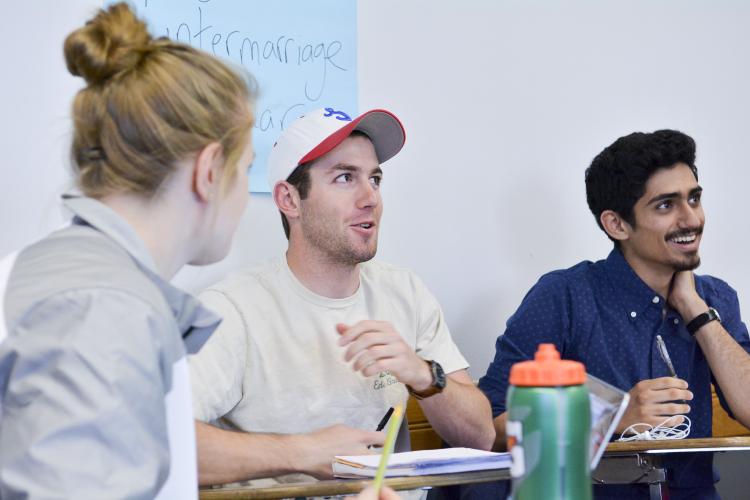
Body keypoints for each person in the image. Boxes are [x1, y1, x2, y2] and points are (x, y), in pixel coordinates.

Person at [0, 3, 256, 498]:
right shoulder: (102, 311)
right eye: (245, 168)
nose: (245, 192)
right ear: (208, 171)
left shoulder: (82, 285)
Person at [189, 107, 495, 486]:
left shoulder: (405, 291)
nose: (370, 198)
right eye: (345, 177)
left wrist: (423, 375)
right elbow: (161, 443)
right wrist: (302, 453)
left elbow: (480, 437)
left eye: (375, 179)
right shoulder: (232, 309)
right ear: (289, 199)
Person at [478, 130, 750, 499]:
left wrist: (695, 310)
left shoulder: (714, 298)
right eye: (666, 206)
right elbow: (491, 425)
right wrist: (614, 418)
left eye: (694, 198)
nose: (691, 219)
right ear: (616, 224)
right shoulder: (565, 296)